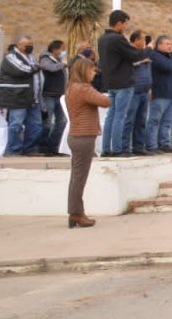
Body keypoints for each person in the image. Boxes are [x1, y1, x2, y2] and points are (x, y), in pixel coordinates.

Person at [66, 57, 109, 228]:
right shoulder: (83, 88)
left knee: (76, 177)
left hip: (77, 135)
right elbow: (104, 101)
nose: (94, 73)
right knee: (79, 178)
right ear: (84, 71)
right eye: (92, 70)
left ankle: (75, 212)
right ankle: (76, 213)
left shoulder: (72, 87)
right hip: (83, 136)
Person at [98, 11, 146, 157]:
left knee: (111, 116)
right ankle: (118, 149)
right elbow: (134, 55)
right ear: (119, 23)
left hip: (110, 82)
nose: (126, 27)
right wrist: (147, 47)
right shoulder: (117, 39)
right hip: (123, 82)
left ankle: (106, 148)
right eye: (125, 24)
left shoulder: (102, 39)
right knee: (120, 116)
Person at [0, 36, 44, 156]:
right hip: (17, 97)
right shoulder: (11, 56)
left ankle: (29, 149)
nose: (30, 46)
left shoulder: (31, 57)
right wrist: (37, 67)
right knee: (16, 124)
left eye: (31, 43)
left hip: (32, 97)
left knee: (36, 125)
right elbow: (22, 70)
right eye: (26, 44)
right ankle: (13, 150)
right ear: (18, 45)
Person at [147, 36, 172, 153]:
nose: (169, 46)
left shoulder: (170, 57)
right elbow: (167, 66)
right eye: (167, 44)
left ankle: (164, 144)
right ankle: (152, 146)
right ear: (159, 45)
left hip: (171, 94)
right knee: (154, 121)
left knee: (167, 121)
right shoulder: (155, 56)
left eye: (170, 44)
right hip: (160, 93)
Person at [38, 40, 69, 157]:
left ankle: (55, 146)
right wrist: (62, 65)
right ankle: (43, 147)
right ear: (55, 49)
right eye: (62, 49)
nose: (63, 51)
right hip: (49, 95)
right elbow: (49, 68)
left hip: (60, 95)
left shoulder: (59, 60)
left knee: (61, 122)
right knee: (47, 123)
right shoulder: (45, 58)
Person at [128, 31, 153, 156]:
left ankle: (139, 146)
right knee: (129, 120)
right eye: (142, 39)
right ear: (135, 40)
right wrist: (142, 61)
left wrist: (150, 88)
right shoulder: (130, 52)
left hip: (144, 91)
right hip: (133, 90)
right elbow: (128, 65)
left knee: (141, 120)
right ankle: (125, 147)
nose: (144, 42)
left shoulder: (144, 54)